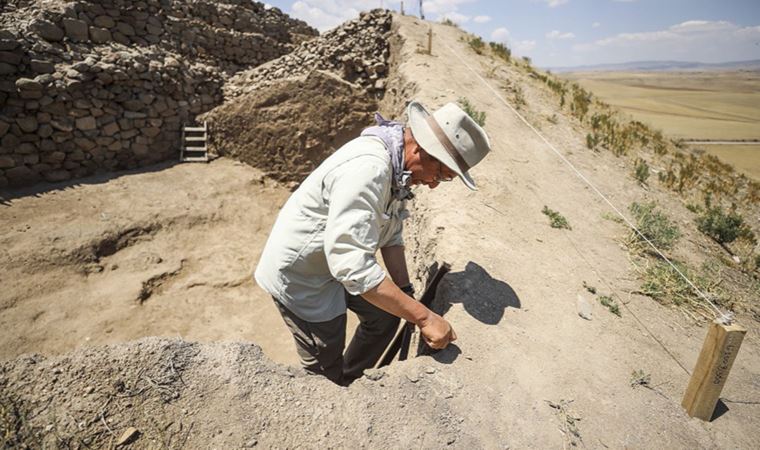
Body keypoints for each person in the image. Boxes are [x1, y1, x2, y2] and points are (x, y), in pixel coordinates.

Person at [254, 100, 491, 385]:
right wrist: (425, 318)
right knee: (325, 356)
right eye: (440, 174)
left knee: (386, 316)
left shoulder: (396, 165)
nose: (433, 184)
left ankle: (350, 380)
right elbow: (352, 267)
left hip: (335, 260)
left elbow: (390, 232)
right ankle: (331, 386)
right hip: (303, 275)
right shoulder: (370, 170)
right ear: (420, 150)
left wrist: (405, 291)